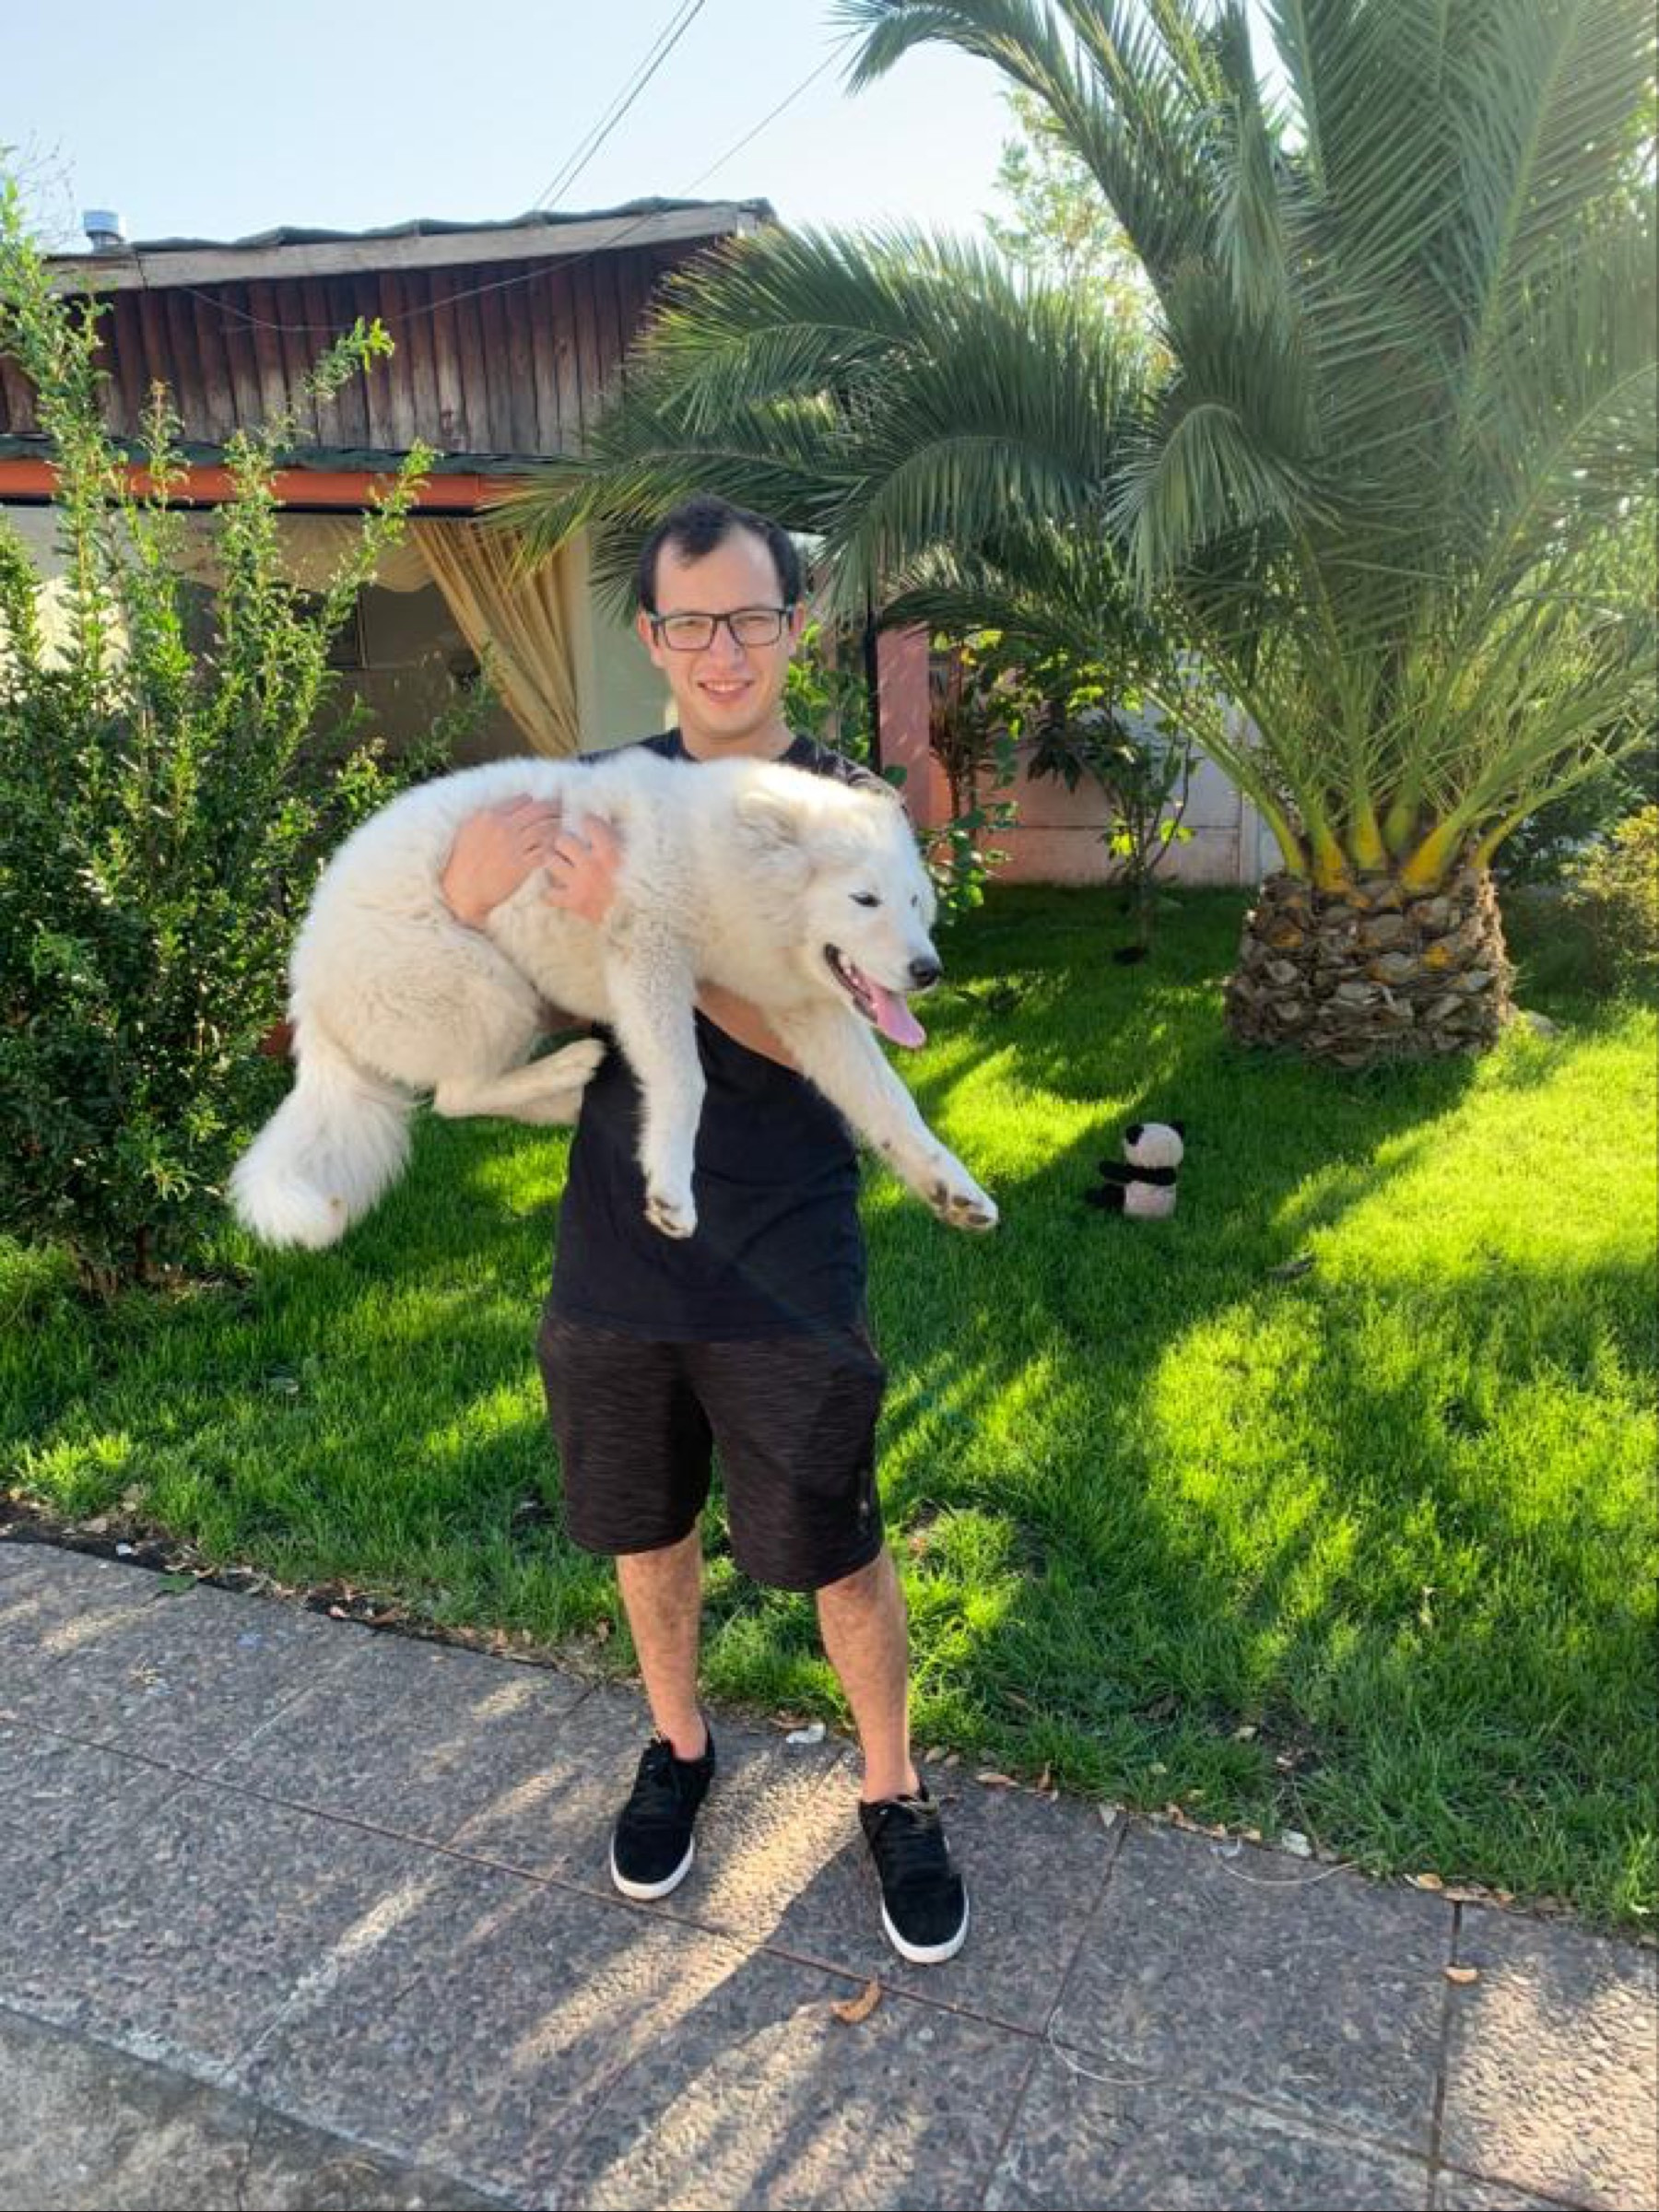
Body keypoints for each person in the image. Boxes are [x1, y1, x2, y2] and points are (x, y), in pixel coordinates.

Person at [439, 494, 970, 1965]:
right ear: (653, 636)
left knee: (835, 1542)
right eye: (692, 622)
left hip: (787, 1250)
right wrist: (483, 906)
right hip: (619, 1243)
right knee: (644, 1524)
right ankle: (677, 1745)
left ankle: (892, 1788)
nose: (723, 651)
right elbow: (526, 990)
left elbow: (839, 1036)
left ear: (795, 627)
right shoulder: (600, 796)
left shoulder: (846, 813)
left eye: (749, 618)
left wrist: (648, 926)